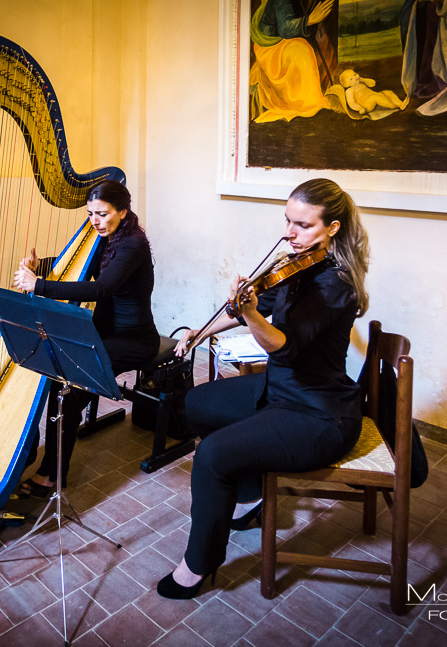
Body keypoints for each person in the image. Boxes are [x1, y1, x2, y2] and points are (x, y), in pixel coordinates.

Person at [157, 178, 369, 599]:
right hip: (281, 391)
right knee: (198, 402)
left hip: (318, 414)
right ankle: (252, 495)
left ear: (333, 228)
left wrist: (252, 313)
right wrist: (202, 330)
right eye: (288, 221)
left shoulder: (335, 286)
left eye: (303, 225)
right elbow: (246, 313)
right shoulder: (298, 267)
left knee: (214, 455)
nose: (289, 233)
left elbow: (283, 346)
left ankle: (199, 564)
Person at [12, 180, 160, 497]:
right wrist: (43, 265)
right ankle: (43, 458)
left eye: (103, 214)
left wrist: (37, 284)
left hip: (134, 339)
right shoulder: (105, 237)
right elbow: (78, 268)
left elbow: (98, 288)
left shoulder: (132, 244)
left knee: (66, 387)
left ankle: (52, 474)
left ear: (123, 211)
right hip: (104, 333)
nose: (95, 221)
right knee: (57, 379)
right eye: (91, 213)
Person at [250, 0, 336, 122]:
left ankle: (313, 99)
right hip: (270, 46)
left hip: (286, 39)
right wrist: (310, 19)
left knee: (322, 47)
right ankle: (305, 103)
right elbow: (285, 28)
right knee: (301, 50)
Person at [339, 68, 409, 116]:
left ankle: (400, 104)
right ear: (347, 85)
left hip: (373, 96)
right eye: (351, 79)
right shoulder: (350, 91)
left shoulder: (361, 82)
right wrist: (360, 108)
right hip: (366, 105)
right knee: (375, 96)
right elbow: (352, 103)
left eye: (355, 74)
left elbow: (373, 83)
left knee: (387, 92)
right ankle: (393, 106)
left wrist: (363, 80)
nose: (355, 77)